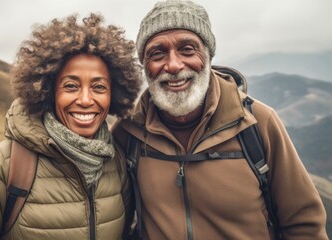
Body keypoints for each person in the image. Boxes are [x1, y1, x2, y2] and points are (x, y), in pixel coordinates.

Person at [112, 0, 328, 239]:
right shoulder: (128, 131)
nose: (173, 65)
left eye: (187, 49)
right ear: (144, 65)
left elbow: (303, 224)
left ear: (208, 56)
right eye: (157, 53)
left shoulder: (258, 123)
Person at [0, 13, 142, 240]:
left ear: (114, 94)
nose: (85, 100)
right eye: (71, 86)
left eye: (99, 87)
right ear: (48, 91)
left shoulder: (117, 163)